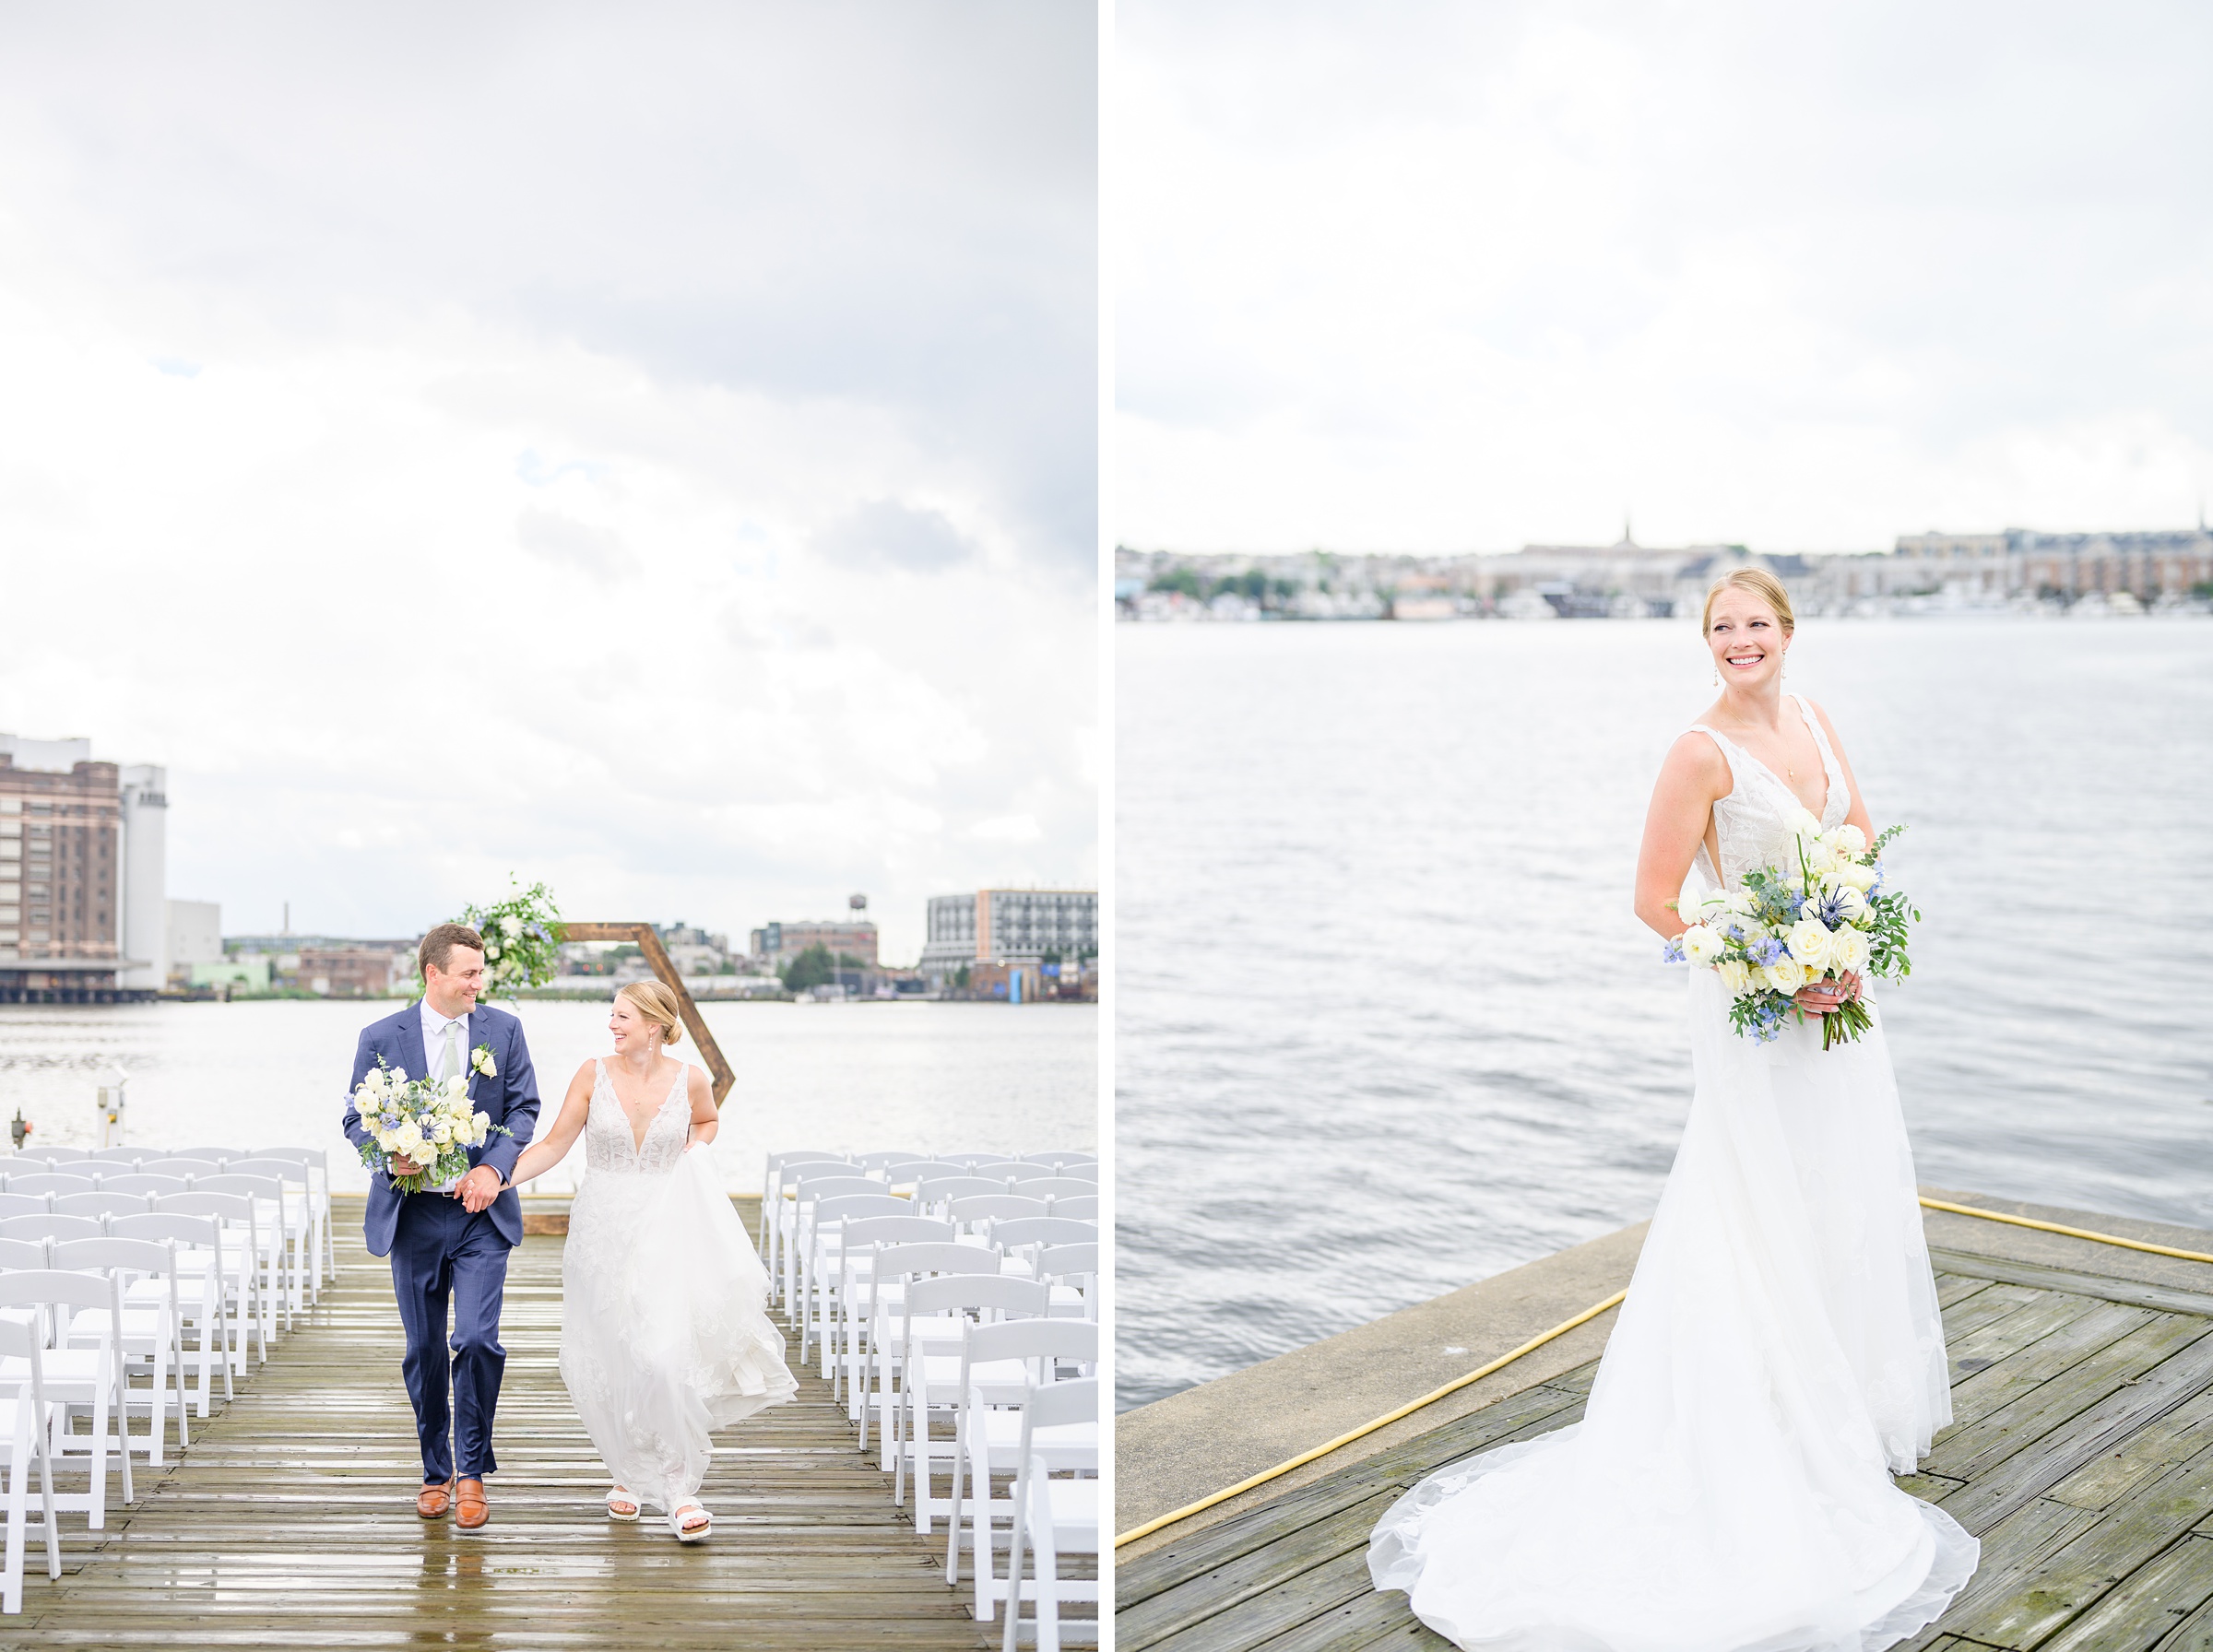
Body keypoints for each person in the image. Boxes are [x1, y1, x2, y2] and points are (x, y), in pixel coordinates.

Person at [1367, 569, 1978, 1650]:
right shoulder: (1699, 751)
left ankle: (1827, 1412)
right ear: (1707, 643)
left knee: (1841, 1198)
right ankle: (1752, 1429)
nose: (1740, 641)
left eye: (1756, 624)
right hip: (1758, 1013)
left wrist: (1845, 939)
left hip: (1841, 1010)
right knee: (1752, 1210)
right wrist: (1776, 966)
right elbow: (1654, 899)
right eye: (1721, 628)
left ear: (1789, 633)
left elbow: (1862, 848)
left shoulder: (1820, 723)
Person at [507, 979, 797, 1540]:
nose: (611, 1025)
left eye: (621, 1016)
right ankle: (626, 1473)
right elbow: (553, 1144)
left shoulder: (690, 1079)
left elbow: (708, 1122)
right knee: (613, 1353)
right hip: (601, 1226)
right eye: (612, 1016)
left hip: (669, 1221)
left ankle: (679, 1485)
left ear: (655, 1025)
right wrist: (496, 1180)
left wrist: (697, 1149)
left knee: (663, 1352)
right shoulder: (592, 1075)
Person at [341, 922, 540, 1532]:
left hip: (481, 1215)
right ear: (434, 974)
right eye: (470, 973)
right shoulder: (380, 1037)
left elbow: (523, 1109)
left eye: (482, 973)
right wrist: (385, 1154)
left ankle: (474, 1472)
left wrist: (492, 1168)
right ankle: (437, 1471)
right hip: (414, 1214)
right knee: (424, 1350)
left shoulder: (505, 1031)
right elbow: (354, 1117)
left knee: (477, 1340)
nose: (481, 983)